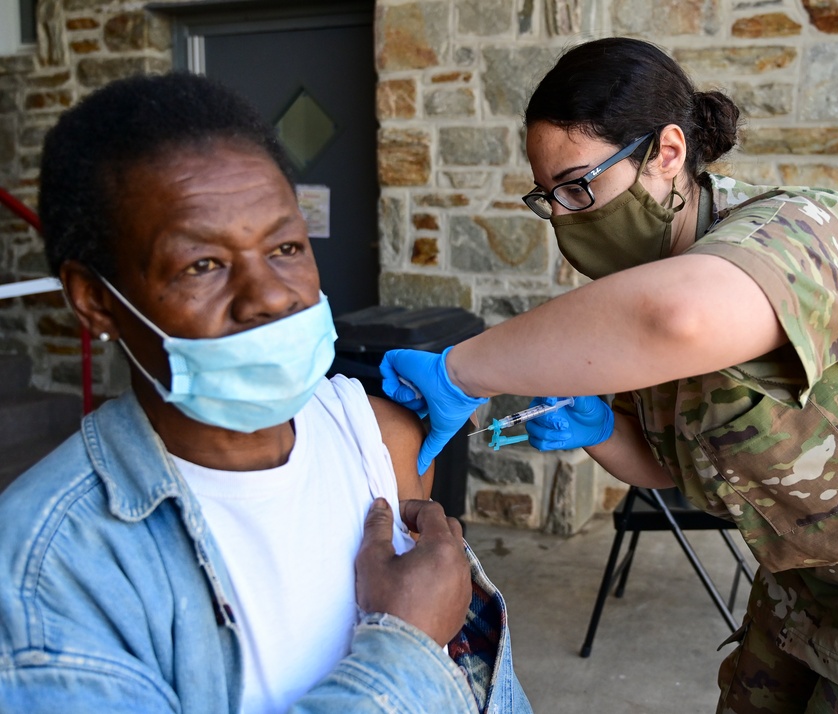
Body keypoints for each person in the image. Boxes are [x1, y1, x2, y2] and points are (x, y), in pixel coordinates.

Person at [380, 37, 838, 714]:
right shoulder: (635, 290)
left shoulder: (802, 228)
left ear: (667, 154)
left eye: (579, 186)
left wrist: (463, 370)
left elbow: (679, 318)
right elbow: (673, 466)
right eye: (548, 196)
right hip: (810, 585)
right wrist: (600, 428)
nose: (562, 215)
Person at [0, 72, 530, 714]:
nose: (271, 296)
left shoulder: (377, 438)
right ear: (95, 301)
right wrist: (408, 646)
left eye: (285, 247)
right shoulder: (50, 573)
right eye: (202, 265)